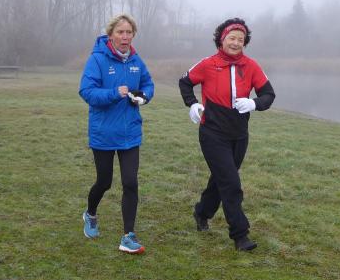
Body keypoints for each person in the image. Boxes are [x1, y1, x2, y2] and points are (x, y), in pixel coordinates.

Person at [178, 17, 276, 251]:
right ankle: (240, 235)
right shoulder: (208, 64)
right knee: (231, 184)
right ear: (222, 40)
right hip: (212, 133)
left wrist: (254, 103)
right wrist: (192, 103)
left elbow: (269, 94)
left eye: (241, 39)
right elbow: (185, 82)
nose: (236, 43)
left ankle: (202, 212)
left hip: (239, 134)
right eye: (232, 38)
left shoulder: (251, 66)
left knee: (221, 179)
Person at [79, 14, 154, 255]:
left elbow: (148, 84)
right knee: (104, 182)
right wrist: (114, 93)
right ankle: (90, 214)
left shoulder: (136, 60)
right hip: (103, 133)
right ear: (111, 35)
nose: (125, 37)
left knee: (131, 182)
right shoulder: (97, 59)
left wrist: (144, 96)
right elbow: (86, 91)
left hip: (130, 132)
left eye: (129, 32)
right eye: (120, 32)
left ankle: (128, 235)